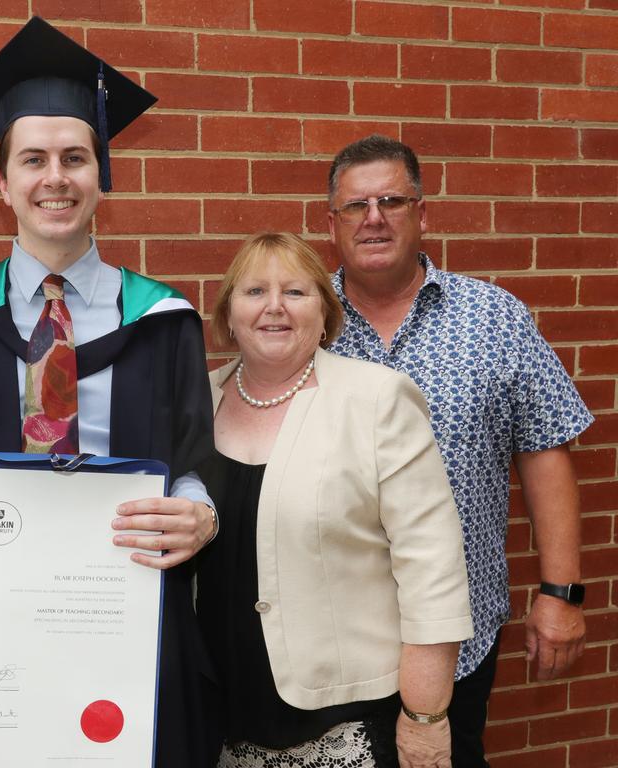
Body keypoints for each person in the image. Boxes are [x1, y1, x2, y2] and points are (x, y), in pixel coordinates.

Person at [0, 17, 220, 768]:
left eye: (76, 158)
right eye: (34, 159)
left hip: (126, 609)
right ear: (2, 181)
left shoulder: (164, 318)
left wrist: (201, 515)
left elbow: (195, 459)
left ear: (102, 172)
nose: (56, 178)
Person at [325, 135, 594, 767]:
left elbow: (545, 450)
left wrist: (561, 593)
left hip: (457, 626)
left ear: (423, 213)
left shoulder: (492, 316)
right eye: (354, 206)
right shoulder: (302, 319)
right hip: (331, 629)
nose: (373, 218)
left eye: (391, 200)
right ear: (329, 222)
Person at [198, 232, 473, 768]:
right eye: (254, 291)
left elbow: (433, 573)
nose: (274, 306)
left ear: (325, 313)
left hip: (345, 724)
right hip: (220, 717)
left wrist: (425, 718)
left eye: (295, 293)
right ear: (228, 315)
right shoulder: (195, 401)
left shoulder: (376, 399)